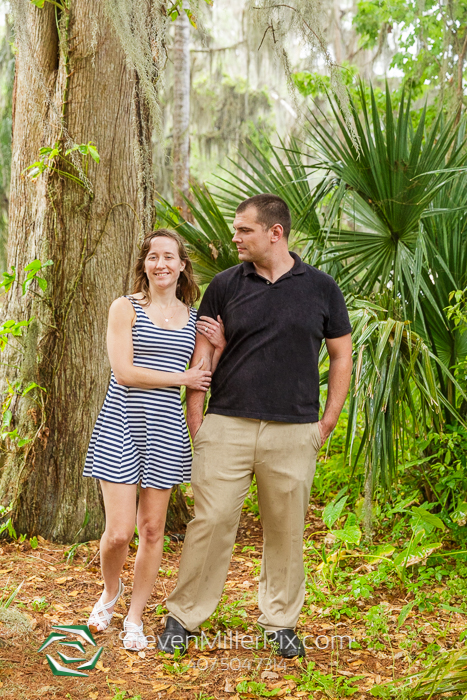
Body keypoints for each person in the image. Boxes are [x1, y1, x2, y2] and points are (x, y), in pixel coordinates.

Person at [158, 194, 353, 658]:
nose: (235, 237)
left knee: (286, 529)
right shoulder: (224, 285)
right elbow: (203, 352)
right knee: (211, 521)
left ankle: (280, 620)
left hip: (294, 430)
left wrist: (328, 419)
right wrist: (196, 415)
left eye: (243, 230)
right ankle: (184, 616)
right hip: (226, 425)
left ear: (275, 232)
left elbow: (341, 355)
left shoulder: (322, 288)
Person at [83, 229, 225, 651]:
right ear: (144, 264)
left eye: (169, 256)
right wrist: (180, 377)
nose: (160, 263)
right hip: (120, 426)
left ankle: (135, 618)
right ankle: (110, 591)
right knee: (119, 534)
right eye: (152, 256)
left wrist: (216, 348)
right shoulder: (125, 308)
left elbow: (202, 374)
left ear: (182, 266)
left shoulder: (194, 318)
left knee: (152, 530)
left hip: (165, 431)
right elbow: (124, 372)